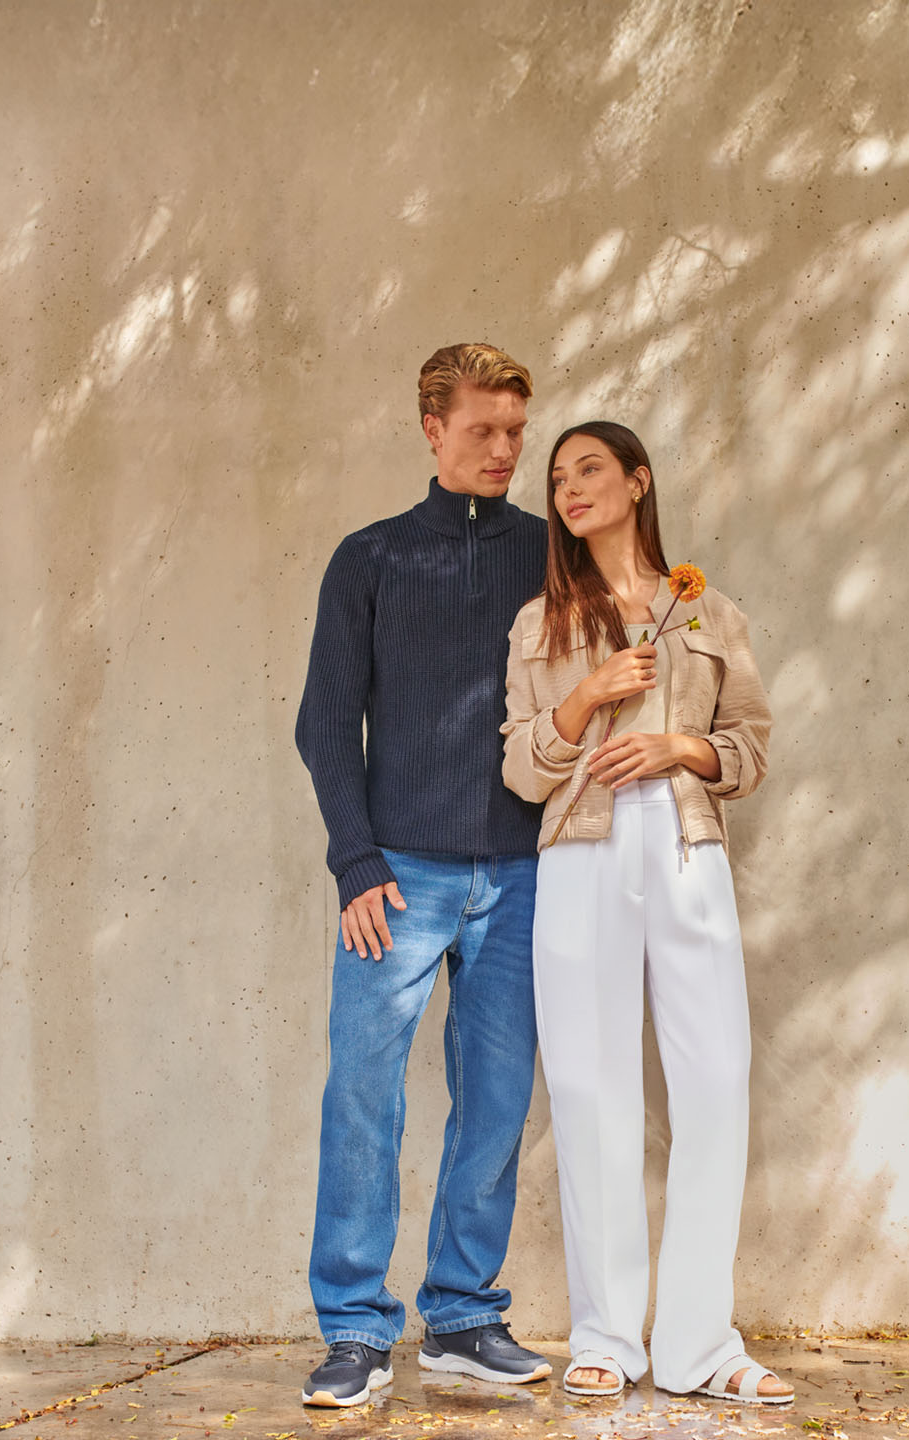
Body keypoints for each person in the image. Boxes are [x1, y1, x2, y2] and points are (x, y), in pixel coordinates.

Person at [500, 422, 788, 1404]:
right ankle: (608, 1336)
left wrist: (678, 749)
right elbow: (521, 767)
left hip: (686, 846)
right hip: (580, 851)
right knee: (590, 1090)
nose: (570, 488)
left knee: (716, 1082)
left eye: (589, 469)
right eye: (557, 478)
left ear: (637, 481)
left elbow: (748, 746)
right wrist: (585, 698)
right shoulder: (539, 623)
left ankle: (702, 1346)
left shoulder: (708, 613)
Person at [292, 343, 554, 1407]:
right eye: (482, 430)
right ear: (433, 429)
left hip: (524, 873)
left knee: (495, 1099)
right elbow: (324, 724)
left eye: (516, 432)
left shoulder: (552, 555)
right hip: (396, 877)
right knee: (364, 1094)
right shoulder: (371, 559)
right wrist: (356, 862)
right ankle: (355, 1328)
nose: (504, 449)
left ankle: (462, 1315)